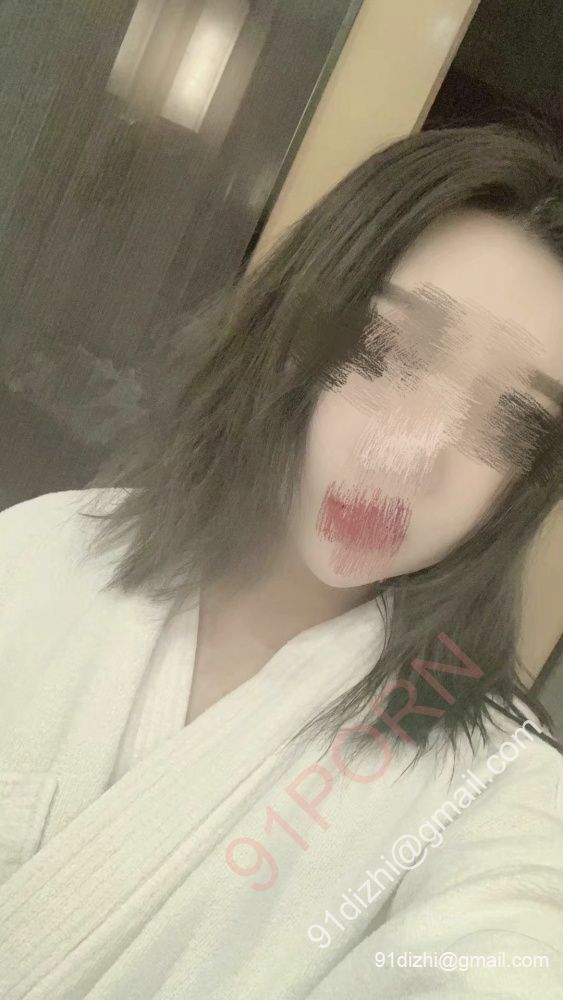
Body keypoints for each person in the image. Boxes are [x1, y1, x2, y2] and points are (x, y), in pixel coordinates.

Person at [1, 121, 562, 999]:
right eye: (388, 351)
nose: (415, 453)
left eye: (513, 421)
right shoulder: (34, 555)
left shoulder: (496, 792)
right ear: (295, 326)